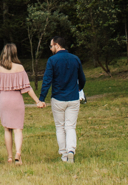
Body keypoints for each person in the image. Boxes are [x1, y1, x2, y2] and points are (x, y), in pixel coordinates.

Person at [0, 43, 44, 164]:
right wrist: (37, 101)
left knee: (7, 129)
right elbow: (27, 88)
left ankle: (9, 157)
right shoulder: (20, 68)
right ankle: (18, 154)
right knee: (18, 129)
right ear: (15, 53)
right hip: (16, 101)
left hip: (3, 100)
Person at [36, 35, 87, 163]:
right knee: (70, 126)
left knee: (60, 127)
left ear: (57, 45)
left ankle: (64, 155)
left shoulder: (52, 60)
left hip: (58, 98)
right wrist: (79, 89)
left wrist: (42, 98)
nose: (50, 48)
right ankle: (71, 150)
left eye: (51, 46)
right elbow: (82, 78)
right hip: (73, 97)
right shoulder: (75, 59)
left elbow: (47, 80)